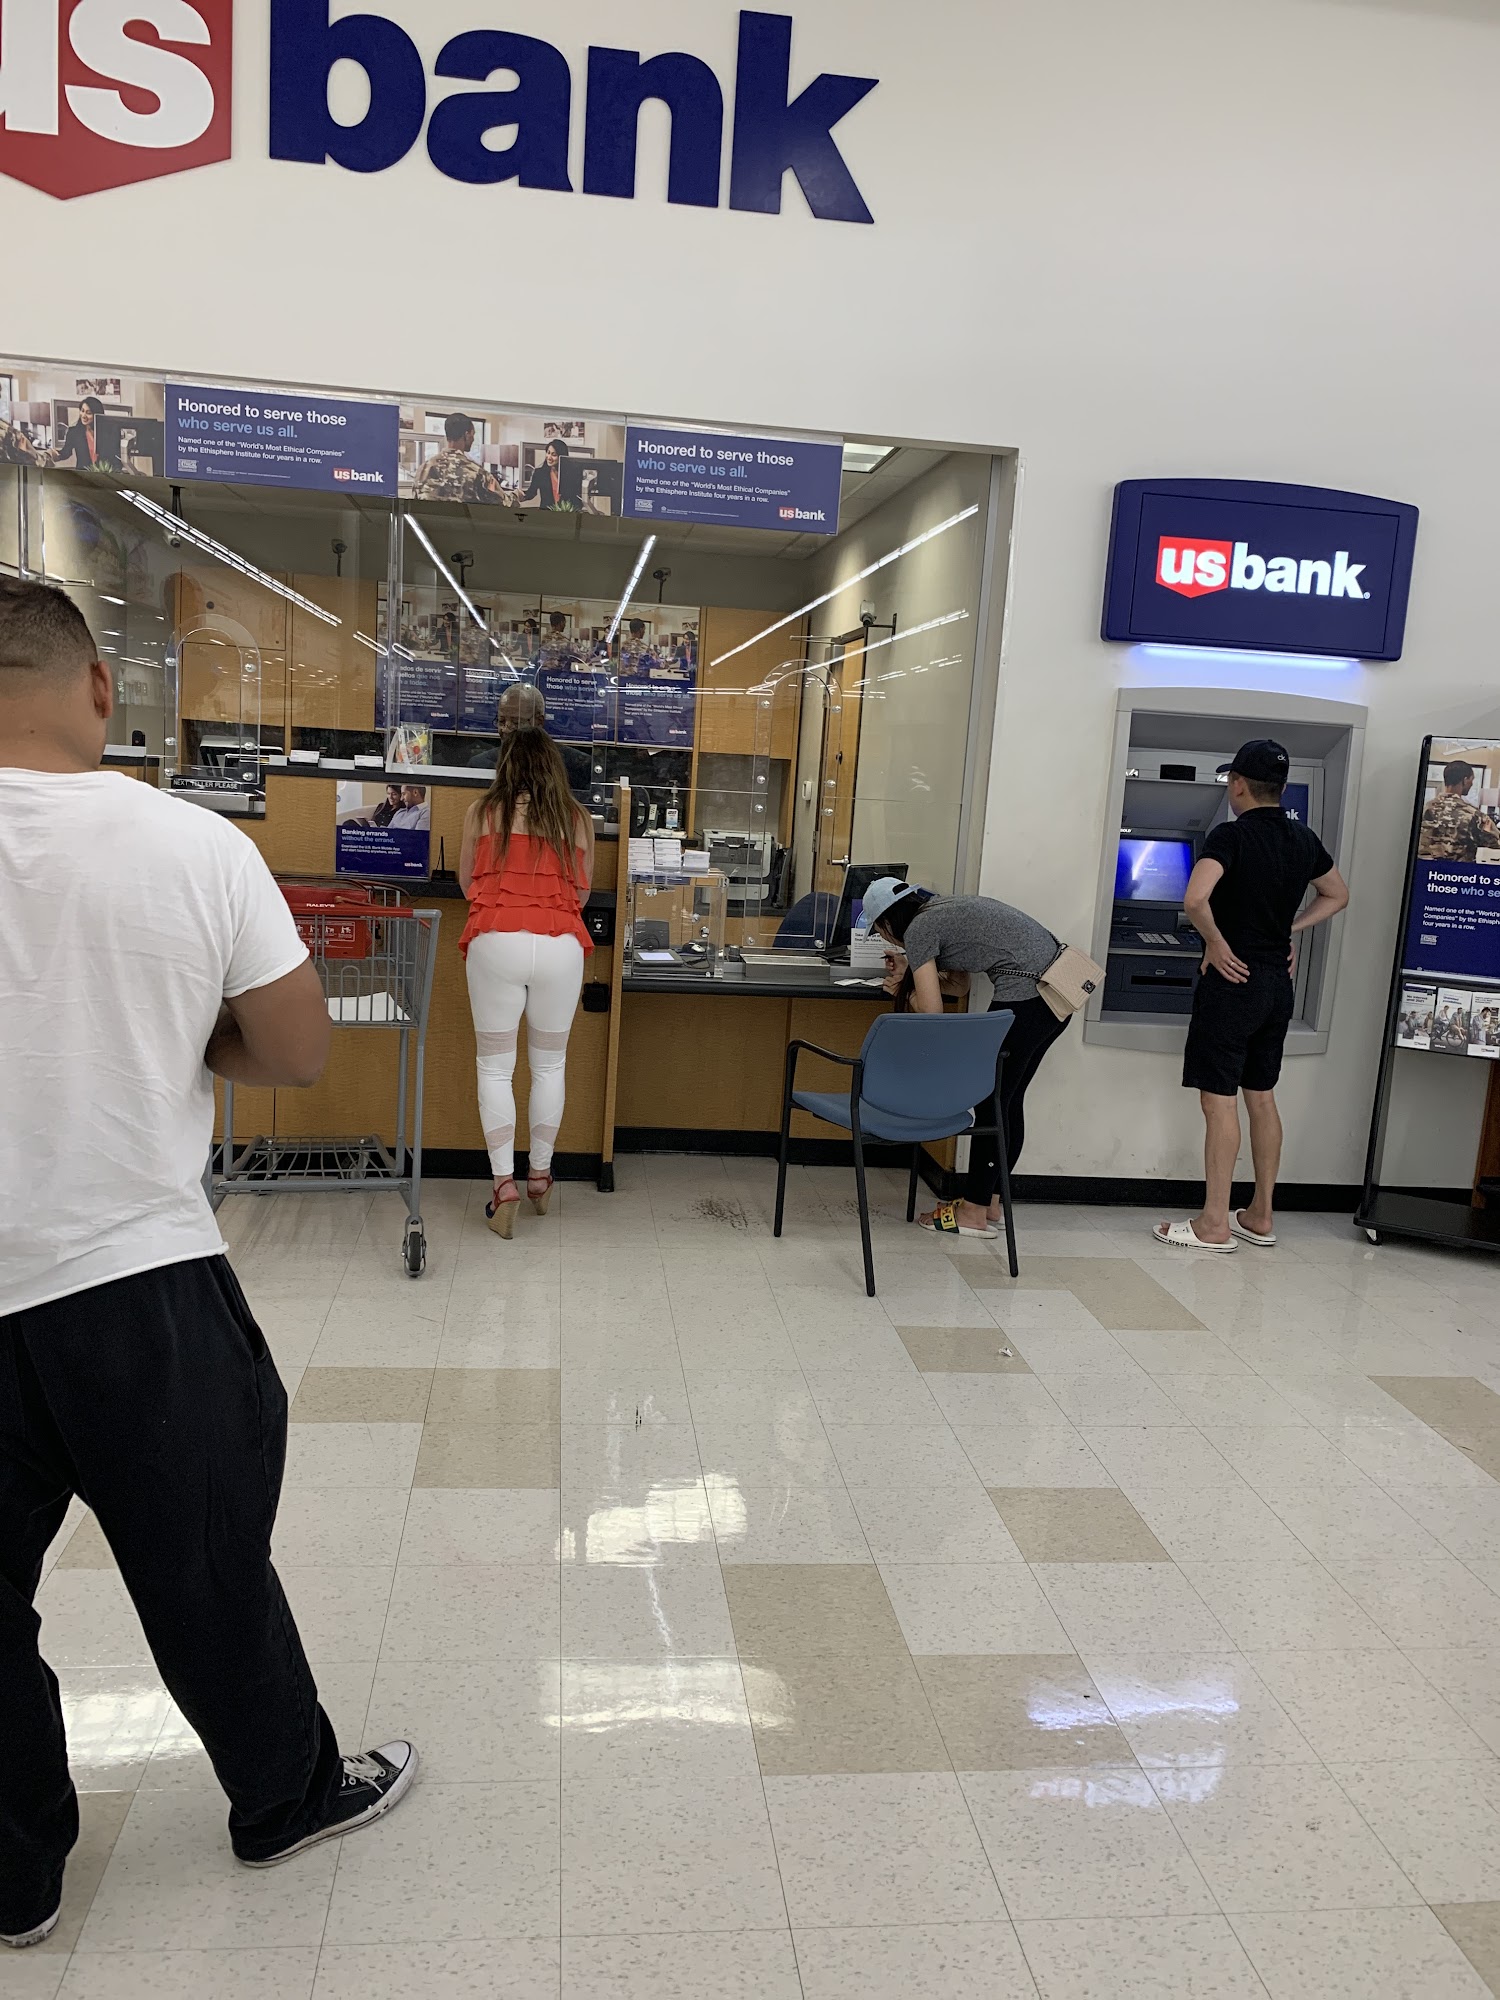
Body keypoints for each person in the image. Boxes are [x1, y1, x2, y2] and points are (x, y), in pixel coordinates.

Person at [0, 578, 417, 1949]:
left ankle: (14, 1876)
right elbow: (295, 1048)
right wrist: (180, 1042)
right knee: (206, 1565)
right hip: (136, 1282)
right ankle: (285, 1797)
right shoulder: (193, 845)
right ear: (98, 686)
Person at [1155, 739, 1349, 1253]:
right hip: (1276, 986)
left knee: (1218, 1102)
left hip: (1232, 984)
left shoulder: (1231, 835)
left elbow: (1195, 898)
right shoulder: (1303, 838)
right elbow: (1338, 894)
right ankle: (1260, 1214)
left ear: (1239, 785)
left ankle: (1213, 1224)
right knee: (1261, 1097)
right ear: (1280, 788)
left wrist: (1216, 944)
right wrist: (1290, 931)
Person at [862, 876, 1070, 1239]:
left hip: (1028, 995)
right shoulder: (940, 911)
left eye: (880, 933)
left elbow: (932, 1014)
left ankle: (973, 1213)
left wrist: (902, 992)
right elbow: (959, 986)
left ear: (885, 923)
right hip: (1057, 991)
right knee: (1007, 1100)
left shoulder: (919, 930)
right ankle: (990, 1203)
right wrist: (913, 972)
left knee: (991, 1101)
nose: (887, 940)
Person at [459, 727, 593, 1238]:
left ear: (505, 765)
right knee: (550, 1064)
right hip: (560, 945)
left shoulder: (481, 812)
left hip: (496, 941)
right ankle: (539, 1175)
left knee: (495, 1067)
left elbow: (468, 883)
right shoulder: (576, 818)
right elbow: (581, 891)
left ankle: (503, 1186)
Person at [412, 412, 507, 504]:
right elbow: (503, 502)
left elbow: (414, 504)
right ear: (466, 435)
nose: (473, 439)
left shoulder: (423, 470)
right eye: (472, 434)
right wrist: (514, 494)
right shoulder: (477, 473)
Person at [1418, 760, 1500, 862]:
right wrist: (1488, 832)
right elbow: (1496, 842)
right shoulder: (1474, 814)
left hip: (1425, 869)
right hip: (1458, 871)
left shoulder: (1424, 808)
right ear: (1465, 780)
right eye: (1471, 780)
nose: (1472, 784)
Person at [521, 438, 580, 511]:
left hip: (567, 514)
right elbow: (531, 493)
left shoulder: (572, 474)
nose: (549, 457)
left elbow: (577, 497)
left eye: (554, 455)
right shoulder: (540, 473)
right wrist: (518, 495)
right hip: (546, 514)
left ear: (562, 456)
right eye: (548, 453)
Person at [51, 395, 106, 471]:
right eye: (82, 411)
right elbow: (66, 453)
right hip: (83, 474)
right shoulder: (74, 432)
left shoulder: (107, 432)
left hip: (104, 474)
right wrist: (55, 455)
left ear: (97, 414)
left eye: (88, 413)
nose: (83, 415)